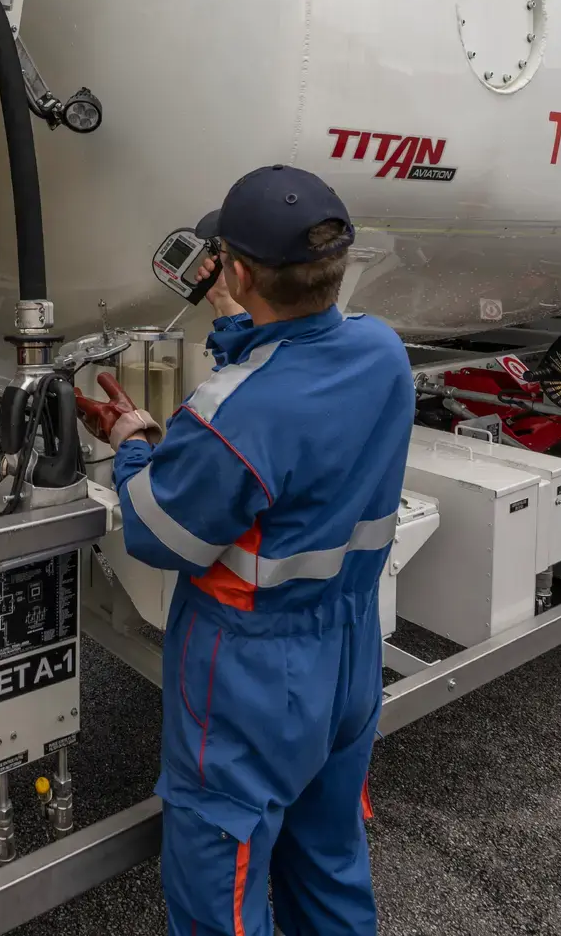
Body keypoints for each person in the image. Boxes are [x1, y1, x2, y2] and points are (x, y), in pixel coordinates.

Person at [77, 165, 414, 935]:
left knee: (221, 898)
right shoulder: (382, 352)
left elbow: (158, 530)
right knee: (328, 866)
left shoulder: (231, 414)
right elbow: (293, 380)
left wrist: (135, 443)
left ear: (234, 273)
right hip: (349, 653)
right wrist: (243, 330)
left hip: (254, 679)